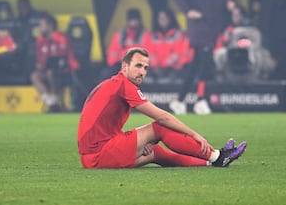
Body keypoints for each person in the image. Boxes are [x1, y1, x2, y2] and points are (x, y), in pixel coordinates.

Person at [77, 47, 247, 169]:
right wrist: (195, 134)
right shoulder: (124, 85)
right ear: (124, 67)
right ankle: (217, 156)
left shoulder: (112, 84)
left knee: (154, 151)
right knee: (160, 127)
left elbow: (101, 130)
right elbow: (163, 117)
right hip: (100, 155)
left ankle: (209, 163)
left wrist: (138, 144)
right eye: (138, 66)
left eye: (145, 68)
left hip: (91, 158)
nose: (142, 72)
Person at [171, 0, 236, 115]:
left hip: (214, 28)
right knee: (205, 62)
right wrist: (188, 11)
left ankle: (179, 100)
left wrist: (229, 2)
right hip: (200, 27)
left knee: (197, 65)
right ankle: (200, 100)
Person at [30, 12, 80, 112]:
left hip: (64, 72)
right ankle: (51, 101)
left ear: (50, 26)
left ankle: (56, 100)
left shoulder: (61, 38)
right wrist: (40, 66)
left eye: (42, 25)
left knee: (51, 73)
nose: (40, 28)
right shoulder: (40, 41)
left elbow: (66, 57)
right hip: (47, 71)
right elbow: (40, 61)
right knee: (35, 76)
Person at [100, 8, 150, 82]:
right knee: (106, 74)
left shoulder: (145, 35)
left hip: (138, 66)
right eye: (131, 20)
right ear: (127, 21)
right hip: (121, 66)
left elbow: (148, 54)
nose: (133, 22)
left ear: (140, 21)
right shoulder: (119, 35)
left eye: (135, 20)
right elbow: (112, 54)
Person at [147, 7, 193, 82]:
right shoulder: (152, 35)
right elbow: (149, 51)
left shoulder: (178, 34)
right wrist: (156, 64)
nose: (163, 20)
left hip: (173, 69)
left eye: (165, 17)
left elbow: (179, 52)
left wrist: (166, 63)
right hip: (156, 69)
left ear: (170, 18)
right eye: (160, 18)